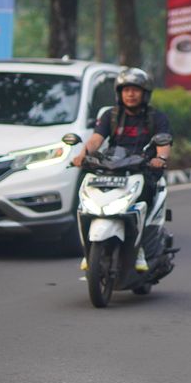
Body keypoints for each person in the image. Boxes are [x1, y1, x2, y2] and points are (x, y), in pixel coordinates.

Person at [72, 68, 172, 272]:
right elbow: (96, 139)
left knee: (145, 198)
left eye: (135, 90)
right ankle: (89, 249)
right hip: (114, 167)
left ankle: (140, 248)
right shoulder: (110, 115)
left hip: (143, 169)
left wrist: (160, 159)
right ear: (119, 93)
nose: (130, 94)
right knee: (85, 194)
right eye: (126, 90)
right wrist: (83, 154)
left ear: (145, 93)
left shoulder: (157, 117)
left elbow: (164, 143)